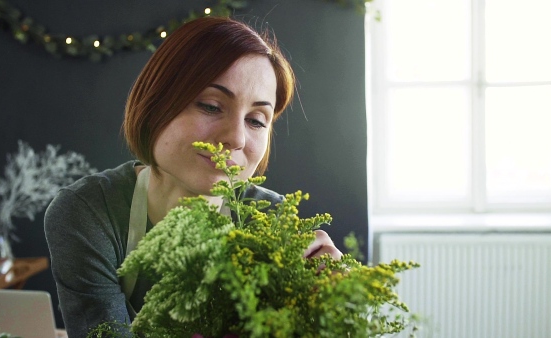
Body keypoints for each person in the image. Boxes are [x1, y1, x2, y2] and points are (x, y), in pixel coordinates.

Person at [44, 16, 342, 337]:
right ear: (155, 103)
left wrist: (334, 302)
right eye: (211, 106)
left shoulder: (272, 221)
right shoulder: (89, 213)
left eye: (256, 120)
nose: (237, 138)